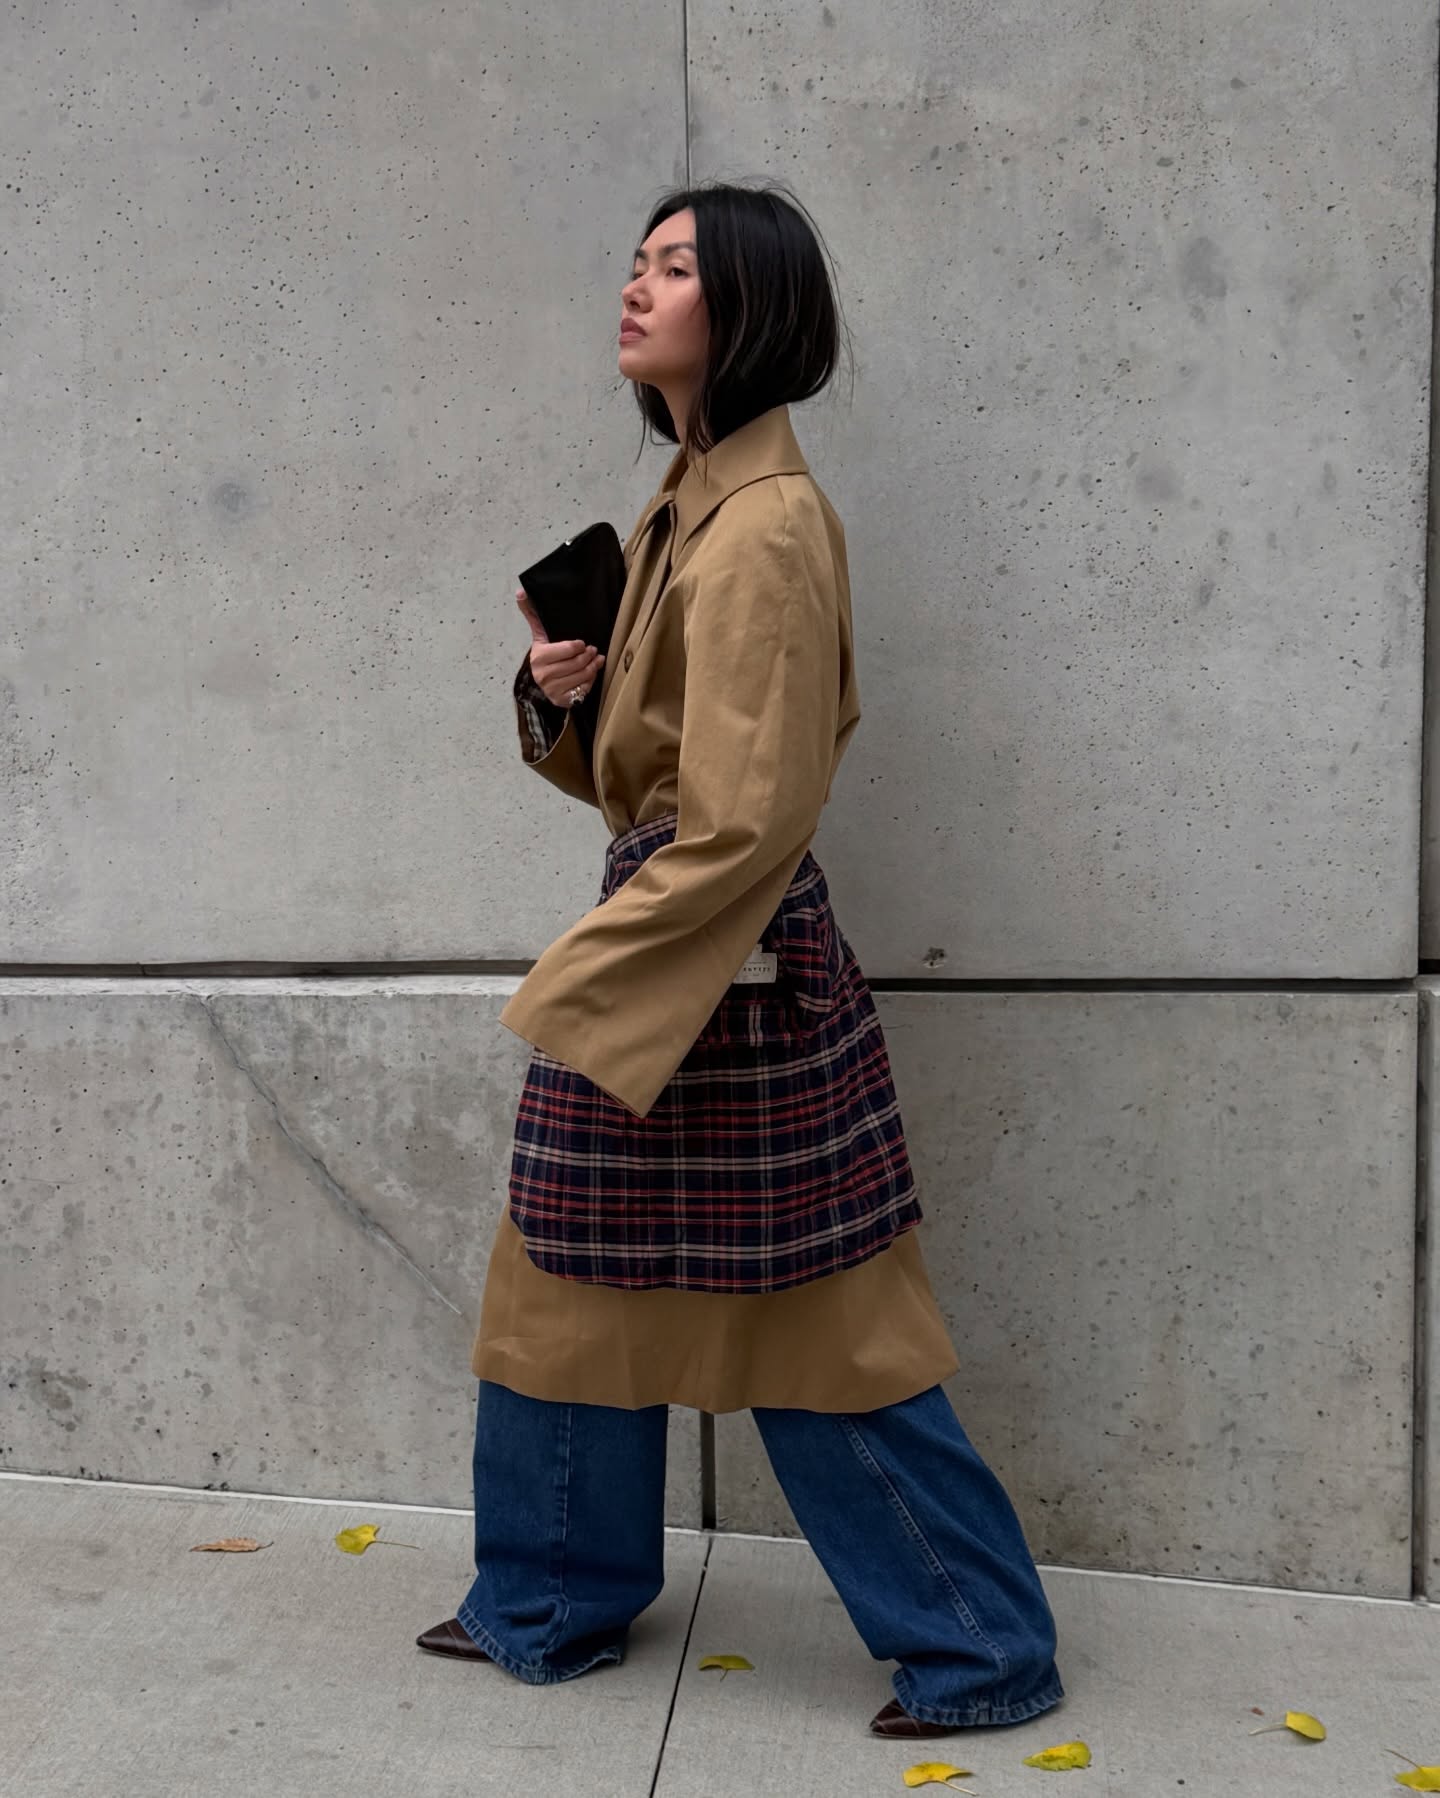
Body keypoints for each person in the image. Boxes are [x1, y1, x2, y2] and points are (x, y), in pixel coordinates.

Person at [416, 180, 1065, 1739]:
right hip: (687, 947)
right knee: (563, 1280)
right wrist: (562, 693)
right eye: (633, 259)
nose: (636, 287)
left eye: (675, 266)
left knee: (818, 1321)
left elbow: (749, 819)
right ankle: (551, 1600)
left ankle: (981, 1647)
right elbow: (643, 775)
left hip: (730, 969)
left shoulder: (765, 522)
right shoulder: (688, 494)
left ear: (751, 303)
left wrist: (580, 984)